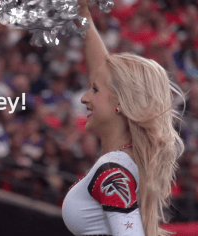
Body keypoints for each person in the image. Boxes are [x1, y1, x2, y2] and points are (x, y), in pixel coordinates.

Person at [61, 1, 185, 236]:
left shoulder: (114, 171)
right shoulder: (124, 159)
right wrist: (83, 14)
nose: (84, 98)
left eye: (94, 90)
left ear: (120, 103)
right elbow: (104, 73)